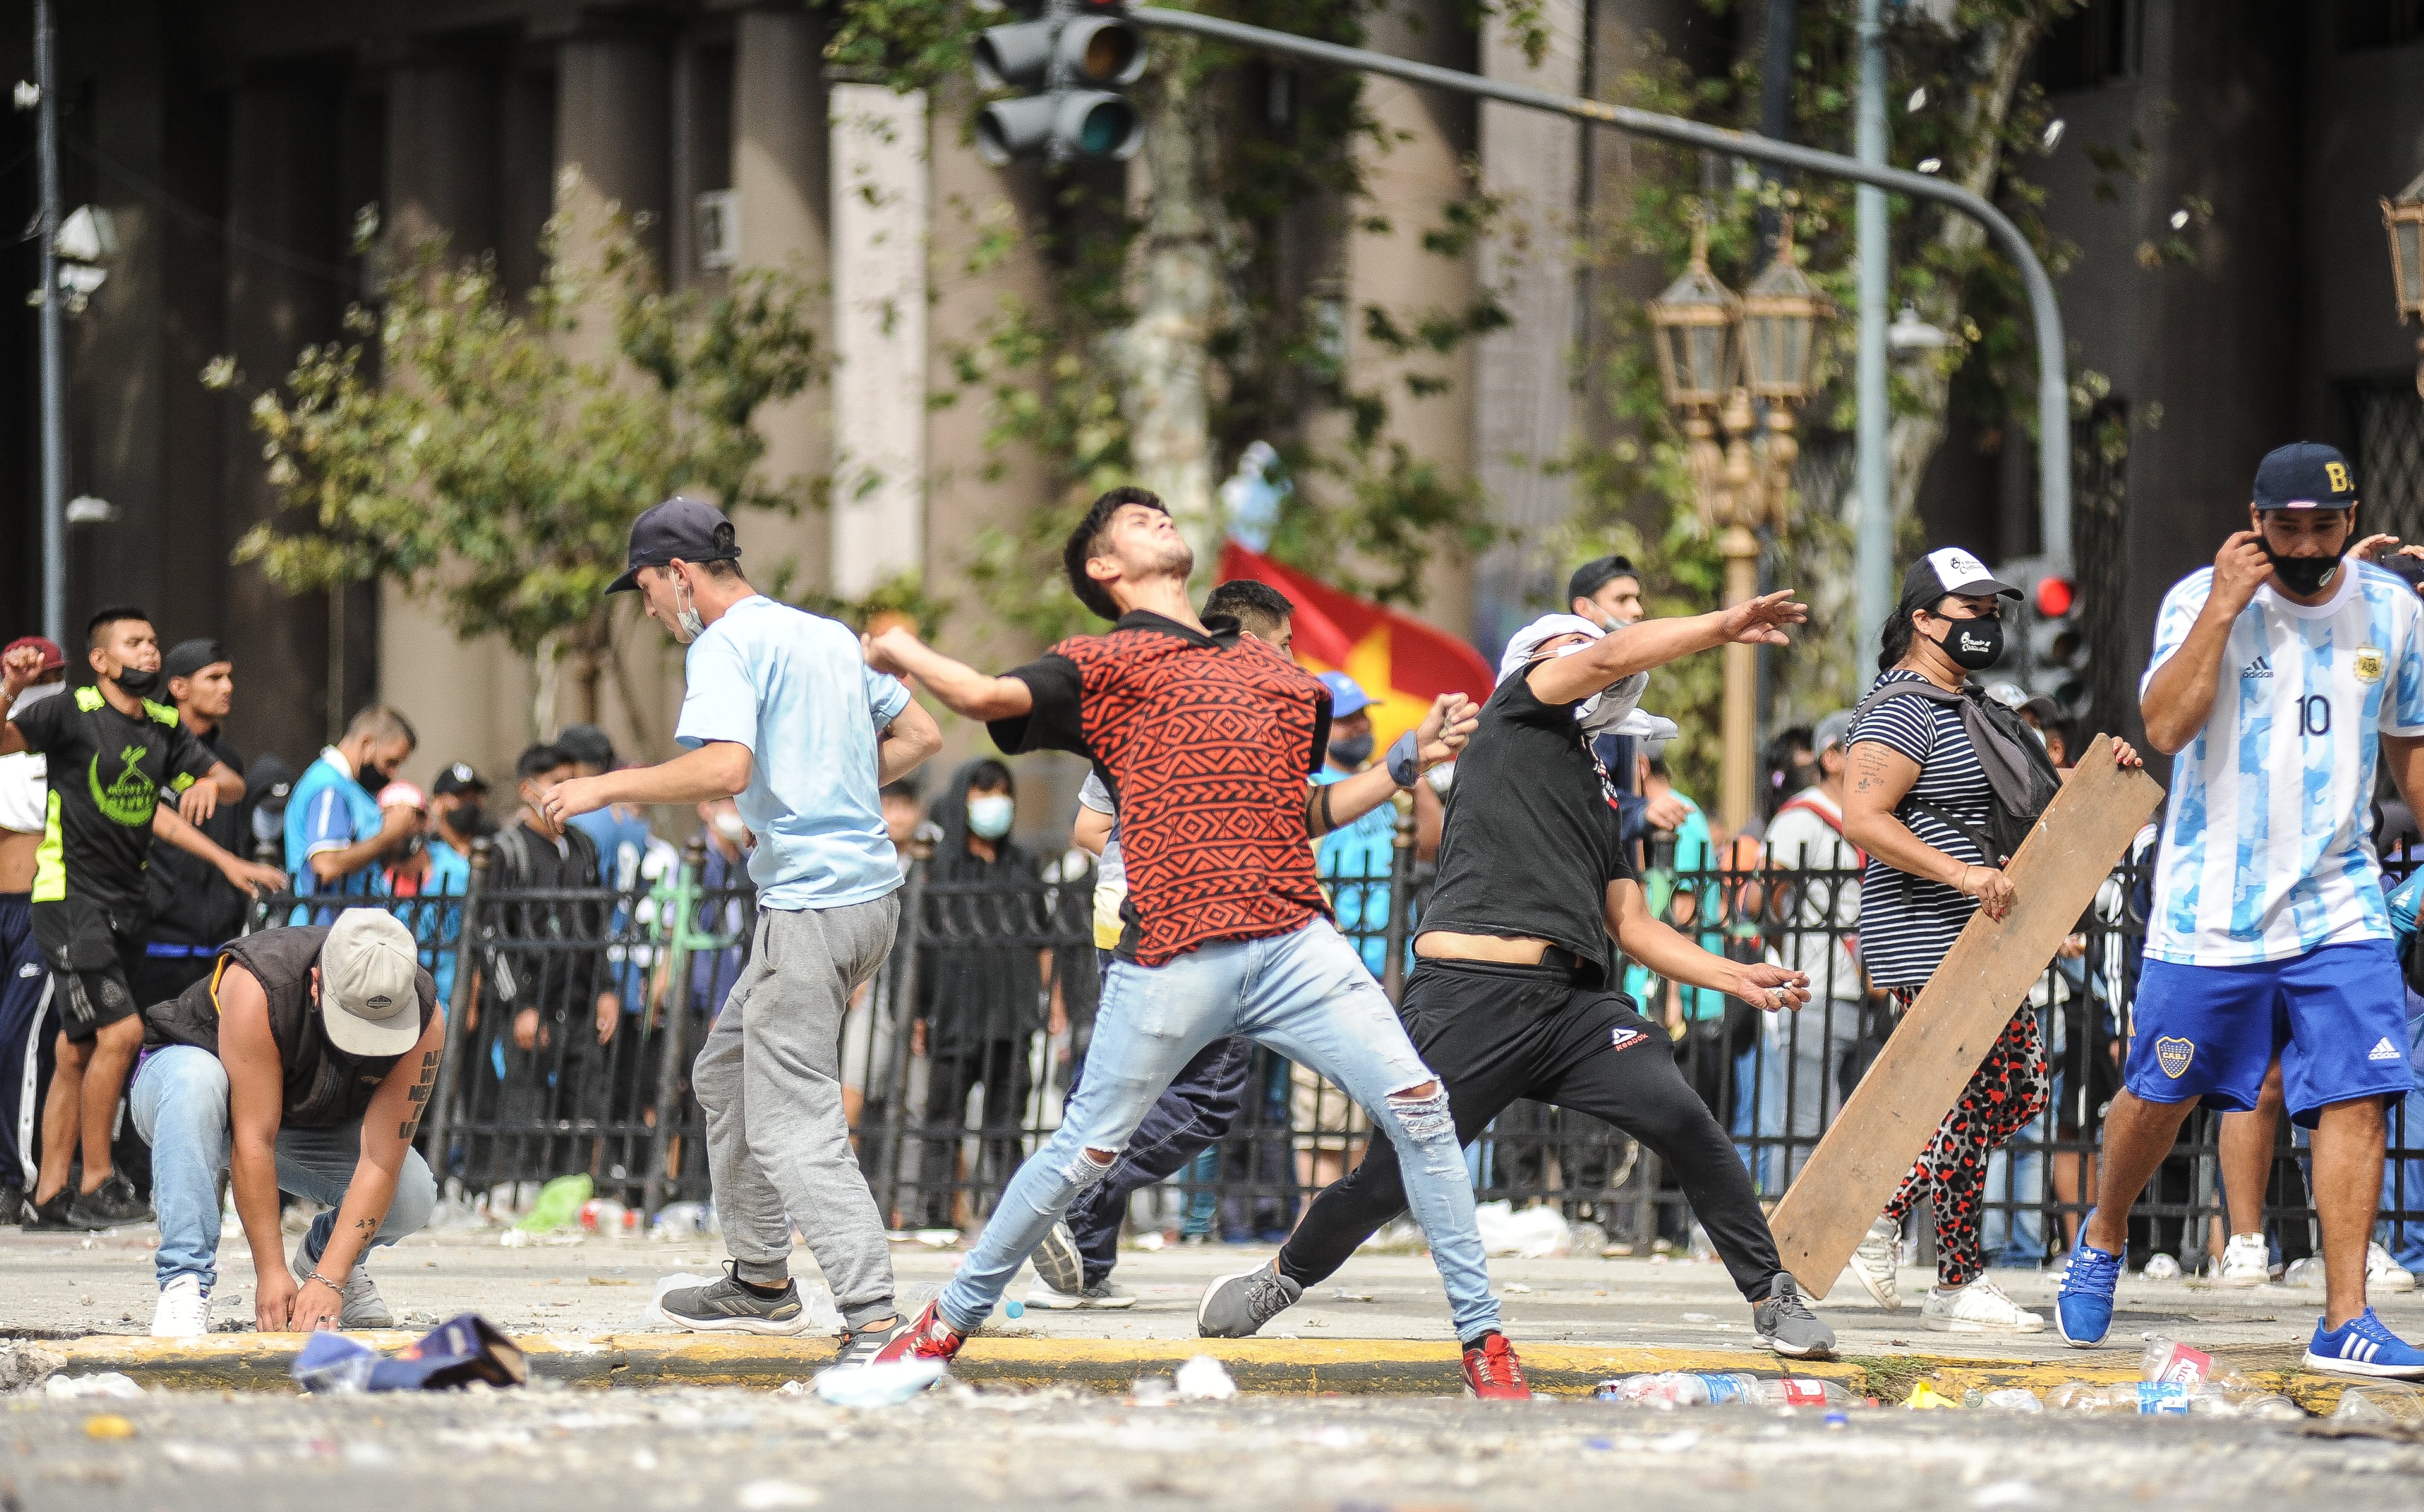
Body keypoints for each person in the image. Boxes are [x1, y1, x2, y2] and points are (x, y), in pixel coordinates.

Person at [861, 487, 1522, 1392]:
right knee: (1083, 1150)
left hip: (1295, 941)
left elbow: (1305, 810)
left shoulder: (1281, 680)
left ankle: (1485, 1340)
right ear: (1106, 568)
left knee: (1420, 1104)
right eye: (1137, 520)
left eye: (1163, 511)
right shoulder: (1103, 663)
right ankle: (943, 1322)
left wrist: (1406, 760)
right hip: (1172, 953)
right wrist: (897, 647)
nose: (1160, 518)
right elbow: (980, 694)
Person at [1193, 600, 1839, 1362]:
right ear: (1533, 661)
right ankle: (1281, 1278)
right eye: (1572, 641)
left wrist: (1736, 975)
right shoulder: (1515, 713)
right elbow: (1606, 659)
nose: (1589, 651)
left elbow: (1632, 926)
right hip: (1468, 997)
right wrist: (1722, 627)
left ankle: (1772, 1297)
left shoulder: (1598, 785)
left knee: (1685, 1121)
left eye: (1591, 644)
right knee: (1386, 1180)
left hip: (1572, 1010)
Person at [539, 496, 942, 1359]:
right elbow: (921, 731)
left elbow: (725, 765)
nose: (647, 609)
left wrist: (605, 787)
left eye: (647, 588)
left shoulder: (727, 643)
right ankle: (761, 1278)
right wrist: (826, 784)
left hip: (809, 908)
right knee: (722, 1073)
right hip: (865, 898)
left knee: (794, 1122)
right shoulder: (825, 635)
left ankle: (874, 1317)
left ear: (679, 575)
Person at [2057, 443, 2424, 1377]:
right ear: (2255, 521)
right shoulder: (2199, 599)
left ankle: (2345, 1315)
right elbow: (2168, 726)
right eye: (2286, 528)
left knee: (2357, 1093)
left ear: (2350, 522)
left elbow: (2409, 746)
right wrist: (2224, 607)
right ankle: (2102, 1235)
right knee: (2161, 1092)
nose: (2305, 546)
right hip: (2209, 907)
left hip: (2341, 902)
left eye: (2324, 528)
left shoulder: (2393, 610)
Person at [1836, 550, 2124, 1332]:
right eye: (1971, 610)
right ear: (1923, 619)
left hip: (1980, 925)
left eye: (1995, 610)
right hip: (1932, 927)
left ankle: (1887, 1209)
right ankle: (1955, 1280)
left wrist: (2111, 773)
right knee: (1981, 1091)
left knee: (2019, 1088)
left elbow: (2038, 799)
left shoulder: (1972, 703)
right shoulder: (1903, 707)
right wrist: (1963, 876)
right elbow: (1864, 818)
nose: (1988, 624)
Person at [1034, 577, 1306, 1308]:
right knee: (1209, 1098)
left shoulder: (1148, 703)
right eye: (1284, 644)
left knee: (1128, 1089)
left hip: (1124, 915)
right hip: (1185, 919)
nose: (1293, 660)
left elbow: (1090, 828)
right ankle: (1071, 1199)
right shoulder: (1234, 712)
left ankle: (1082, 1261)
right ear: (1248, 643)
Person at [0, 609, 271, 1232]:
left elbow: (226, 781)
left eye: (153, 642)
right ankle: (97, 1181)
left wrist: (212, 787)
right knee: (120, 1037)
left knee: (76, 1050)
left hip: (127, 907)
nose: (150, 652)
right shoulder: (69, 711)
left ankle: (48, 1198)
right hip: (70, 900)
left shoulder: (161, 725)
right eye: (135, 644)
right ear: (101, 658)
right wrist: (12, 688)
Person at [134, 909, 441, 1336]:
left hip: (300, 1121)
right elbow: (252, 1140)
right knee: (195, 1079)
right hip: (191, 1105)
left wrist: (329, 1276)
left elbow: (381, 1160)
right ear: (316, 984)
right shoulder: (259, 983)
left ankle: (324, 1254)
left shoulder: (426, 1017)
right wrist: (271, 1271)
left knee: (413, 1193)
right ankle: (185, 1280)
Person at [912, 758, 1056, 1228]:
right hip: (955, 1012)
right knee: (943, 1120)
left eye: (1001, 794)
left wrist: (1050, 1004)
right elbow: (922, 947)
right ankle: (935, 1213)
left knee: (1007, 1123)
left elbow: (1042, 940)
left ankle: (1010, 1220)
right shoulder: (940, 866)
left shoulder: (1023, 862)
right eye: (982, 793)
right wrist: (918, 1011)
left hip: (1012, 1013)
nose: (993, 805)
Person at [486, 744, 620, 1178]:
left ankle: (572, 1191)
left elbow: (596, 927)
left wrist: (606, 989)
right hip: (532, 1004)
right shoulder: (507, 851)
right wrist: (521, 1005)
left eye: (570, 780)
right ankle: (516, 1189)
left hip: (580, 1003)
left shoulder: (584, 846)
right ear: (528, 789)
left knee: (582, 1108)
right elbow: (492, 934)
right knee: (525, 1105)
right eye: (555, 781)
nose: (565, 790)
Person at [1757, 708, 1868, 1187]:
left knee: (1854, 1132)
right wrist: (1792, 956)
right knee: (1805, 1126)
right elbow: (1764, 898)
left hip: (1862, 995)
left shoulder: (1870, 817)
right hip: (1813, 991)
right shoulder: (1800, 818)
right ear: (1833, 757)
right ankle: (1784, 1231)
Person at [141, 639, 257, 1007]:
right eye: (214, 677)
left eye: (229, 677)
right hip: (151, 949)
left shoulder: (227, 760)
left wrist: (209, 781)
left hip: (214, 953)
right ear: (179, 687)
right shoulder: (142, 746)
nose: (228, 687)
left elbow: (235, 801)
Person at [0, 638, 65, 1227]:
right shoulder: (8, 728)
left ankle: (16, 1179)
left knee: (17, 1040)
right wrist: (9, 690)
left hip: (40, 903)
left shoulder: (63, 730)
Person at [288, 705, 420, 905]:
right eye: (390, 762)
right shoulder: (329, 786)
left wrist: (395, 840)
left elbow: (362, 867)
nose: (392, 774)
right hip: (324, 930)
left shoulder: (353, 788)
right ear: (367, 744)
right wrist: (387, 835)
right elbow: (325, 867)